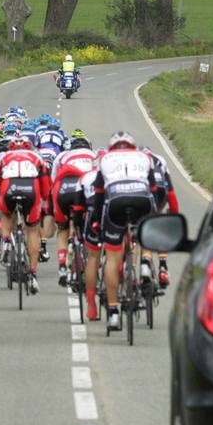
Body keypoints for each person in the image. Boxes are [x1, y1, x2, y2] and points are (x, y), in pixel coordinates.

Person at [82, 131, 158, 331]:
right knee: (146, 233)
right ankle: (145, 262)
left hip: (116, 202)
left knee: (113, 258)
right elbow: (154, 188)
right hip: (142, 198)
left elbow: (99, 195)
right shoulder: (144, 156)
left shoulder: (105, 159)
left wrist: (97, 222)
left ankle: (114, 312)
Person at [0, 135, 52, 293]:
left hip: (9, 186)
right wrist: (44, 204)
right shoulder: (37, 158)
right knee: (32, 230)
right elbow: (46, 189)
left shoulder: (3, 157)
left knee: (5, 214)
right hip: (30, 188)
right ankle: (32, 275)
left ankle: (5, 241)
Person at [50, 136, 98, 287]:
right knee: (89, 223)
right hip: (83, 187)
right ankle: (91, 261)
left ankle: (63, 265)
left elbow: (53, 180)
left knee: (62, 229)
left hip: (63, 188)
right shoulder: (95, 155)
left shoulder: (62, 156)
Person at [144, 147, 180, 288]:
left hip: (143, 189)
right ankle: (163, 267)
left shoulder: (134, 159)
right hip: (161, 189)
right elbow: (170, 192)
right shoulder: (160, 160)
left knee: (141, 224)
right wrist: (174, 216)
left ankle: (145, 263)